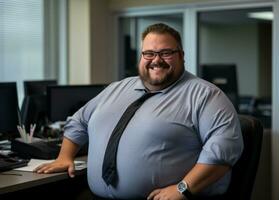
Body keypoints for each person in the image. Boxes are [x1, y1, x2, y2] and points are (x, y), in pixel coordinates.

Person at [34, 23, 243, 200]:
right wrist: (65, 156)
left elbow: (223, 152)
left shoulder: (205, 95)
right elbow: (79, 121)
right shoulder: (118, 88)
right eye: (149, 53)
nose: (156, 59)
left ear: (181, 56)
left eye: (166, 53)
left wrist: (182, 189)